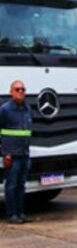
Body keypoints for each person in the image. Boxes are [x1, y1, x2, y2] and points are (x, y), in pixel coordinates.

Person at [1, 80, 33, 223]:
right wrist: (5, 153)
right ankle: (11, 214)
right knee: (11, 185)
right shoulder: (5, 110)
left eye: (23, 89)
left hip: (25, 153)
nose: (21, 92)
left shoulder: (27, 108)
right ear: (11, 92)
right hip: (12, 155)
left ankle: (21, 213)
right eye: (17, 89)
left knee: (21, 185)